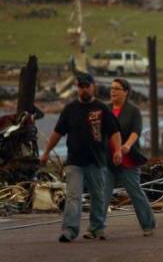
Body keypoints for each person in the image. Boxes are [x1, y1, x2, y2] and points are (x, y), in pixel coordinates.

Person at [40, 73, 122, 242]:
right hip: (74, 162)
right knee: (73, 196)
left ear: (93, 87)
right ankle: (70, 230)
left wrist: (118, 151)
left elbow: (114, 131)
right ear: (77, 88)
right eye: (81, 86)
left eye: (87, 86)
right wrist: (46, 152)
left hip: (97, 161)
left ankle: (97, 228)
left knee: (98, 196)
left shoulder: (101, 108)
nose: (84, 89)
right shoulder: (70, 109)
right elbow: (57, 133)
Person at [103, 78, 156, 237]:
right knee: (103, 193)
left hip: (128, 160)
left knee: (135, 192)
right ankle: (96, 227)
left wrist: (126, 146)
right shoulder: (105, 109)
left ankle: (148, 224)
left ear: (126, 92)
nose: (113, 92)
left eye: (117, 89)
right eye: (111, 88)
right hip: (108, 160)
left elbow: (136, 131)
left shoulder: (133, 111)